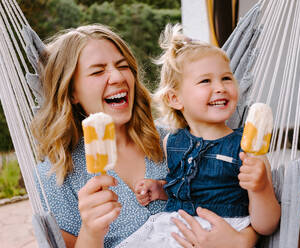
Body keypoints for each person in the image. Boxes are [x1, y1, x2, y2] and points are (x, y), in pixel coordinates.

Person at [31, 24, 260, 248]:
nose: (118, 77)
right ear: (71, 92)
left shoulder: (175, 142)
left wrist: (243, 240)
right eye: (98, 71)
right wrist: (91, 232)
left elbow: (237, 203)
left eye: (123, 66)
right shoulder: (56, 175)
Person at [120, 24, 280, 247]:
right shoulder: (172, 142)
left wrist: (260, 187)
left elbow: (267, 225)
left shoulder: (248, 150)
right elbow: (186, 189)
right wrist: (161, 189)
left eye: (226, 78)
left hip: (224, 231)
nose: (220, 87)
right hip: (176, 227)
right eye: (206, 81)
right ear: (175, 99)